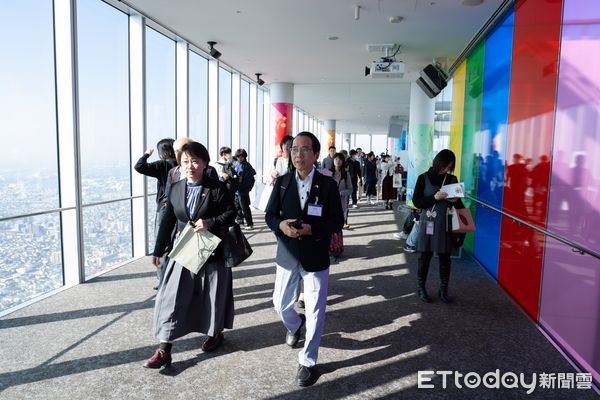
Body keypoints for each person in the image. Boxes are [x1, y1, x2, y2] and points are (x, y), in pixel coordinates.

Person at [144, 141, 236, 369]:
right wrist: (158, 249)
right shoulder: (175, 188)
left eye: (195, 161)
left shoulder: (217, 188)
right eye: (185, 162)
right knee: (171, 297)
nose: (190, 166)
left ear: (205, 163)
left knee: (211, 296)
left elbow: (231, 213)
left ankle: (215, 334)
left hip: (211, 249)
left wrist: (210, 222)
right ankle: (164, 349)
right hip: (184, 249)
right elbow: (168, 220)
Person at [265, 131, 344, 387]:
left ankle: (308, 361)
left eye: (304, 149)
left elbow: (335, 221)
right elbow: (269, 215)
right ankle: (294, 324)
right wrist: (282, 226)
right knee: (280, 304)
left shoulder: (328, 185)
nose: (298, 154)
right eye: (294, 149)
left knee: (316, 311)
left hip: (315, 256)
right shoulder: (283, 182)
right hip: (287, 254)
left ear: (316, 154)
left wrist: (312, 229)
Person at [412, 149, 465, 303]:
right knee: (424, 255)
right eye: (445, 165)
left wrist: (456, 201)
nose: (447, 169)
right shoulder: (423, 178)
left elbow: (459, 203)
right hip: (427, 221)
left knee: (445, 256)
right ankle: (421, 288)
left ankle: (443, 289)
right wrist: (434, 198)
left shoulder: (452, 179)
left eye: (450, 166)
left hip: (444, 223)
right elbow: (417, 202)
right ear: (438, 162)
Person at [134, 138, 177, 289]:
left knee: (162, 243)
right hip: (179, 207)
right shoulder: (180, 164)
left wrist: (146, 154)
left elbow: (139, 166)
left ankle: (162, 280)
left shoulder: (162, 164)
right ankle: (174, 277)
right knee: (175, 242)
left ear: (161, 153)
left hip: (165, 208)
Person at [233, 148, 256, 230]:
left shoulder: (246, 166)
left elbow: (248, 179)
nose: (239, 158)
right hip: (237, 190)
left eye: (240, 156)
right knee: (237, 206)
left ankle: (250, 223)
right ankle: (240, 221)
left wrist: (245, 187)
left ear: (244, 156)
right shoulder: (237, 164)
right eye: (238, 156)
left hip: (242, 191)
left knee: (245, 207)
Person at [331, 151, 353, 234]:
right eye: (336, 159)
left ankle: (337, 246)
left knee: (337, 228)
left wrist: (341, 193)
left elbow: (350, 189)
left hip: (341, 203)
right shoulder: (327, 173)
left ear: (343, 161)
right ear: (333, 160)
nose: (338, 161)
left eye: (340, 159)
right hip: (328, 203)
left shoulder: (346, 174)